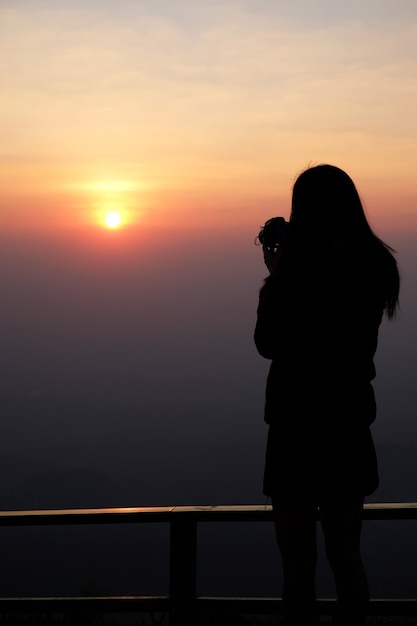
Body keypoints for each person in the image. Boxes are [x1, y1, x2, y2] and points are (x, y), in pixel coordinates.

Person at [254, 164, 400, 626]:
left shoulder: (296, 273)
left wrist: (277, 274)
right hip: (348, 426)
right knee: (347, 558)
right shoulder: (374, 264)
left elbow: (268, 344)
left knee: (297, 569)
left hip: (295, 428)